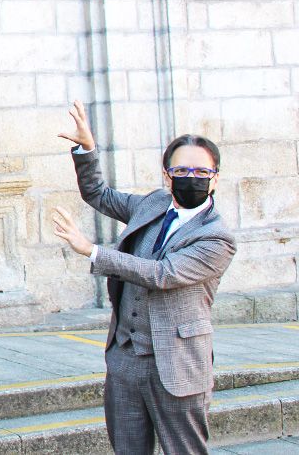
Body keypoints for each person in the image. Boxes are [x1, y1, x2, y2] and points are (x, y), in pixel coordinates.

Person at [51, 99, 236, 455]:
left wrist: (93, 251)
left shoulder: (217, 237)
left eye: (202, 173)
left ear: (215, 179)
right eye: (182, 171)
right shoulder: (152, 204)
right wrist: (86, 148)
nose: (191, 178)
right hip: (125, 360)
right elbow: (98, 195)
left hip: (177, 364)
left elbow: (163, 274)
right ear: (167, 174)